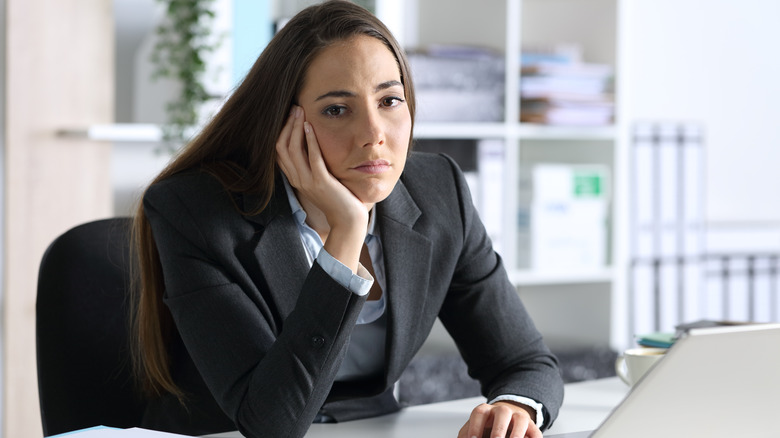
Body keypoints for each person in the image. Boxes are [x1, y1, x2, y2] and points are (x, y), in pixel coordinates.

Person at [131, 1, 564, 437]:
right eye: (337, 109)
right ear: (285, 124)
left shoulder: (439, 191)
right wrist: (347, 232)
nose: (374, 133)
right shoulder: (195, 211)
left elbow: (525, 361)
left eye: (390, 100)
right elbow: (270, 423)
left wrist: (515, 406)